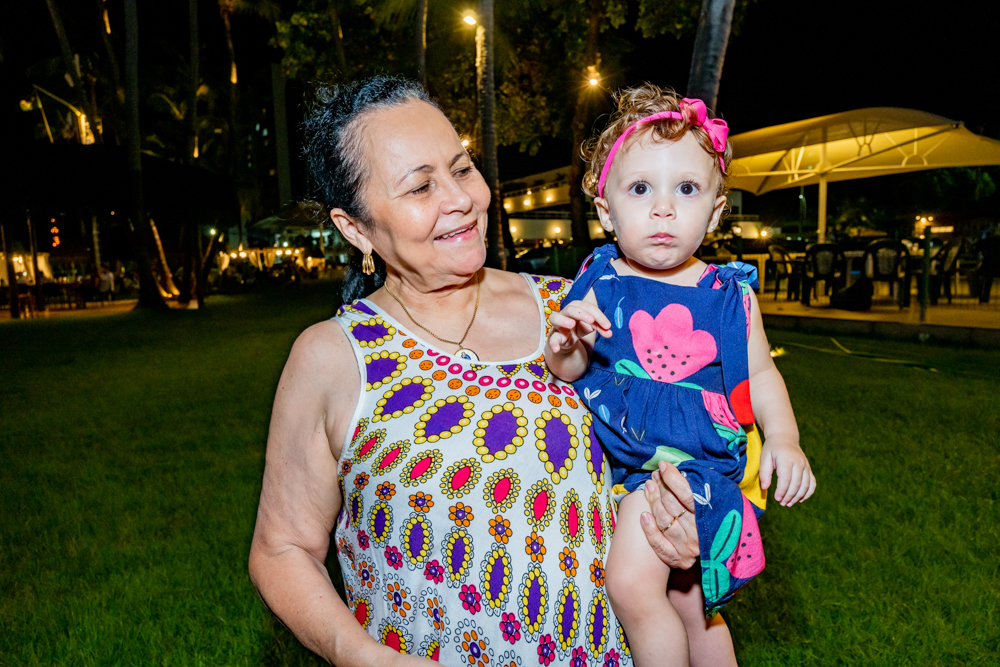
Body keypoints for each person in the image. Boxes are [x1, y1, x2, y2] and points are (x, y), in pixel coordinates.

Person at [248, 76, 704, 666]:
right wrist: (356, 653)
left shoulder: (579, 311)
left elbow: (658, 464)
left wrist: (682, 524)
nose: (459, 199)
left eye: (462, 169)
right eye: (420, 187)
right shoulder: (333, 357)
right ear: (355, 228)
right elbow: (282, 548)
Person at [544, 84, 817, 667]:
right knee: (694, 607)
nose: (663, 208)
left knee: (631, 585)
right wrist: (564, 342)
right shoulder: (599, 279)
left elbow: (762, 374)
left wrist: (786, 440)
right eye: (640, 189)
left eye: (686, 189)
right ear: (605, 208)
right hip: (625, 466)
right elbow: (570, 371)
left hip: (690, 466)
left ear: (716, 210)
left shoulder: (729, 295)